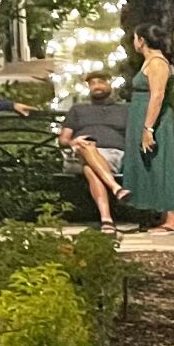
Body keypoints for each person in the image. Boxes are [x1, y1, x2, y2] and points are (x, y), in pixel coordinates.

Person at [119, 25, 174, 232]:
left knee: (161, 164)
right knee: (151, 165)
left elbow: (157, 95)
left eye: (135, 38)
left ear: (142, 40)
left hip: (154, 120)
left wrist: (148, 128)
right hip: (141, 116)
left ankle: (172, 218)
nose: (133, 42)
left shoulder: (157, 63)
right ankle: (162, 214)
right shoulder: (149, 61)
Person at [58, 72, 131, 233]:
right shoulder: (77, 109)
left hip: (113, 154)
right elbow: (63, 140)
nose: (96, 86)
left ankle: (106, 220)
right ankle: (115, 188)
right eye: (92, 83)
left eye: (101, 82)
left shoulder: (124, 109)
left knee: (90, 168)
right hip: (78, 154)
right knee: (87, 146)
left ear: (109, 84)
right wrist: (73, 142)